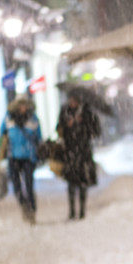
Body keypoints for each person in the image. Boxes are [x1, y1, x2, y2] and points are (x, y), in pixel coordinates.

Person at [56, 91, 100, 219]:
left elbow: (95, 131)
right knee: (70, 182)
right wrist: (66, 125)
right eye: (71, 100)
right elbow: (58, 129)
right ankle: (71, 211)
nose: (72, 102)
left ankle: (82, 210)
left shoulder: (87, 113)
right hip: (69, 151)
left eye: (75, 100)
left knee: (82, 181)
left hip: (84, 151)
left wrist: (83, 124)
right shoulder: (65, 111)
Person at [0, 95, 41, 223]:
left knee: (29, 185)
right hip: (13, 157)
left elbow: (38, 137)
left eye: (25, 104)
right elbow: (1, 136)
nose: (23, 107)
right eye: (20, 105)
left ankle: (32, 210)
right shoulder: (8, 118)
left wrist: (39, 151)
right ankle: (24, 207)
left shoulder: (33, 118)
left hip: (29, 157)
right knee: (17, 187)